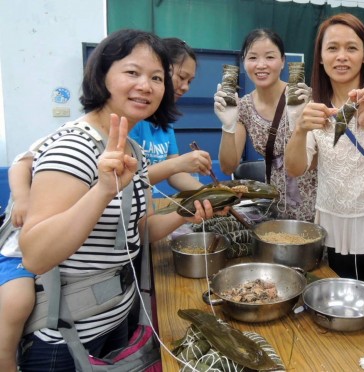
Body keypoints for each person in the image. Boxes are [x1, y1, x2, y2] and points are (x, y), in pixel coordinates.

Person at [17, 29, 219, 371]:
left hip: (116, 322)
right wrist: (101, 192)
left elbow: (134, 233)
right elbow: (35, 255)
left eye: (156, 77)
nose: (146, 85)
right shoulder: (74, 147)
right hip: (67, 337)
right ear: (102, 75)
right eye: (132, 72)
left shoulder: (131, 150)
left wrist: (184, 215)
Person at [284, 13, 364, 333]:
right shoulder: (308, 105)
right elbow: (296, 168)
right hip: (334, 228)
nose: (342, 56)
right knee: (335, 319)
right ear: (321, 56)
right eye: (333, 48)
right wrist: (300, 129)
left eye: (351, 48)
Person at [214, 28, 317, 222]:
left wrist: (300, 122)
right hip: (277, 207)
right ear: (244, 61)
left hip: (316, 203)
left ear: (283, 61)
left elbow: (318, 159)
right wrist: (227, 126)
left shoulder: (304, 98)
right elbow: (228, 167)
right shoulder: (243, 107)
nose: (261, 65)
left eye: (270, 57)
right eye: (252, 58)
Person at [130, 37, 212, 193]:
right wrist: (178, 163)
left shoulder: (164, 121)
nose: (186, 87)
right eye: (181, 77)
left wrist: (210, 194)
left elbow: (175, 173)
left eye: (190, 81)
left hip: (146, 209)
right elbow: (126, 180)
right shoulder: (133, 117)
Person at [0, 146, 38, 371]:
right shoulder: (63, 140)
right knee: (18, 300)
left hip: (58, 257)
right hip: (17, 256)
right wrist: (23, 199)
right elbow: (21, 162)